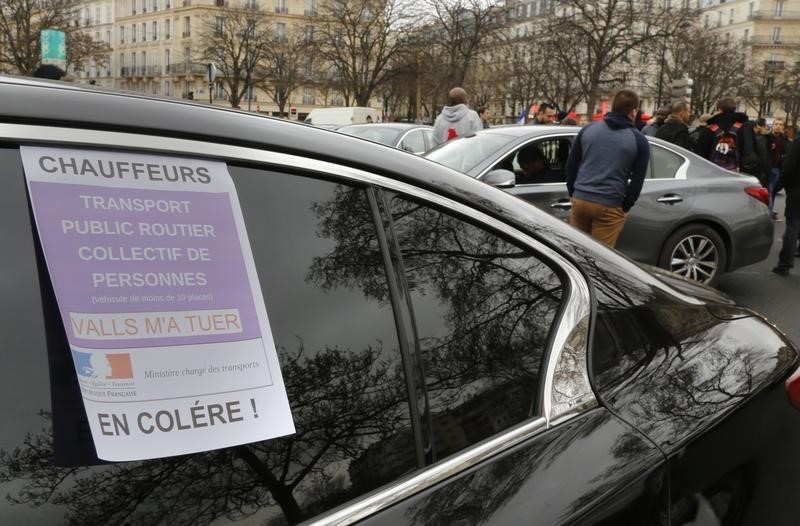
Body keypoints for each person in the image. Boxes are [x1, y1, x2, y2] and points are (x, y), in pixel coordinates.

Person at [565, 89, 650, 247]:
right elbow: (638, 179)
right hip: (609, 203)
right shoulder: (638, 139)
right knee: (600, 258)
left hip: (581, 199)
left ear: (612, 107)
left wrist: (574, 192)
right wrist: (626, 206)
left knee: (577, 250)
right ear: (633, 111)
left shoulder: (587, 130)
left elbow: (571, 166)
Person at [694, 96, 750, 169]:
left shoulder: (708, 129)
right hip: (737, 174)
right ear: (735, 109)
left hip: (712, 173)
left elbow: (700, 157)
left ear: (719, 109)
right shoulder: (744, 128)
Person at [772, 133, 800, 275]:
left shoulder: (798, 141)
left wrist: (785, 184)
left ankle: (785, 264)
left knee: (792, 226)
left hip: (797, 189)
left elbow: (789, 166)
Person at [769, 118, 788, 220]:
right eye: (776, 124)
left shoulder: (784, 138)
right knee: (769, 190)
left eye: (780, 124)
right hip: (769, 168)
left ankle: (770, 210)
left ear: (783, 127)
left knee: (774, 191)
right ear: (772, 125)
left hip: (779, 169)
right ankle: (770, 213)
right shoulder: (768, 137)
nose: (778, 126)